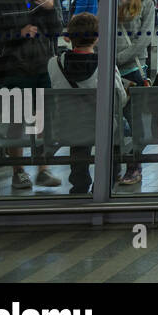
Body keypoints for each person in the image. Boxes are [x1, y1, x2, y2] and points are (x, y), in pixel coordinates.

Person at [0, 0, 63, 190]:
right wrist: (19, 33)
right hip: (14, 69)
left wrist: (48, 10)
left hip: (43, 67)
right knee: (17, 121)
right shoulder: (4, 2)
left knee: (43, 120)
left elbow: (58, 30)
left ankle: (43, 169)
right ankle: (18, 170)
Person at [46, 13, 128, 194]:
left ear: (69, 37)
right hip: (102, 127)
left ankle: (79, 183)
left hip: (68, 127)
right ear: (97, 38)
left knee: (78, 134)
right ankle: (107, 181)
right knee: (118, 129)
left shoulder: (54, 63)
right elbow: (119, 100)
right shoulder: (106, 64)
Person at [115, 0, 156, 186]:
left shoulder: (146, 3)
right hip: (111, 71)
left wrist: (118, 58)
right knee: (111, 120)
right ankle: (112, 165)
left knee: (134, 120)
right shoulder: (109, 0)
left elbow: (144, 41)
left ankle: (134, 166)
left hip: (132, 70)